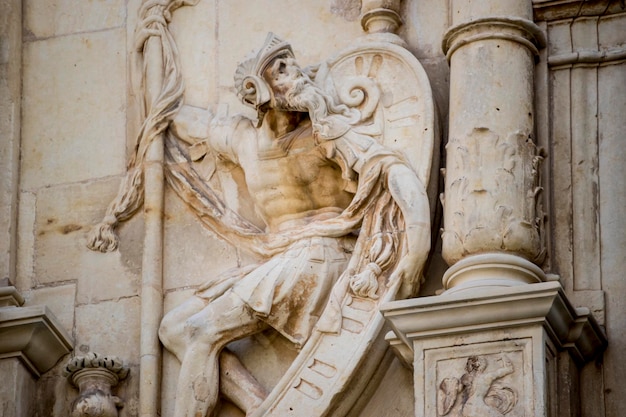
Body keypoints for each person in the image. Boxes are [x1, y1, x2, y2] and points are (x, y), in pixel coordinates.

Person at [158, 33, 431, 417]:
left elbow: (394, 173)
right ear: (257, 90)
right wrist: (156, 95)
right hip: (279, 258)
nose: (296, 73)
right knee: (173, 328)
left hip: (323, 253)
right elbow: (193, 123)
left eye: (292, 63)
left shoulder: (326, 132)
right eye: (281, 68)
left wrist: (414, 255)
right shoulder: (244, 140)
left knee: (201, 332)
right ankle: (256, 406)